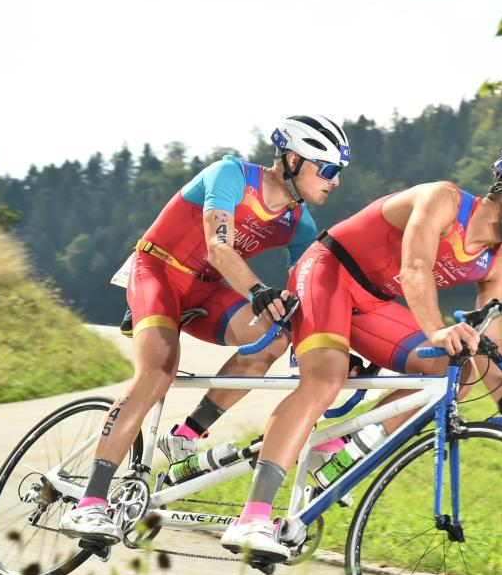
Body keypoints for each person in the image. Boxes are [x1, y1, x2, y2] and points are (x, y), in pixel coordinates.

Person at [221, 147, 502, 561]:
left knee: (455, 373)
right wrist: (436, 329)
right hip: (329, 272)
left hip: (374, 305)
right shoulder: (444, 200)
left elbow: (486, 341)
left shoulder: (501, 262)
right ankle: (252, 518)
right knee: (325, 380)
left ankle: (337, 453)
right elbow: (416, 268)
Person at [59, 114, 351, 544]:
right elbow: (218, 247)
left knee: (274, 337)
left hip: (209, 291)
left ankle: (187, 434)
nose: (335, 181)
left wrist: (338, 342)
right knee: (158, 372)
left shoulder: (299, 224)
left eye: (338, 173)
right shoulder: (230, 174)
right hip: (159, 271)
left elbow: (312, 295)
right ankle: (89, 504)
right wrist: (257, 290)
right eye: (328, 170)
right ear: (292, 160)